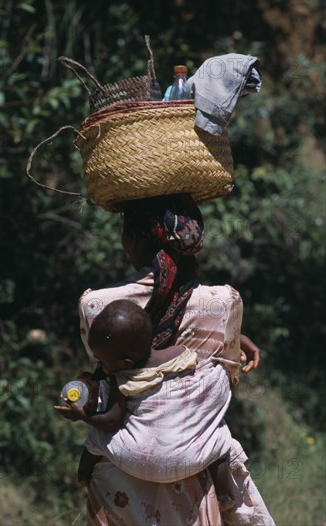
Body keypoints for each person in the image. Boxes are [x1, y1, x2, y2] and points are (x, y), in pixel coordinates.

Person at [56, 193, 274, 526]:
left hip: (119, 483)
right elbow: (225, 373)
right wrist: (232, 336)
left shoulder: (96, 305)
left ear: (131, 238)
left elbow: (107, 372)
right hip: (193, 473)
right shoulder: (225, 303)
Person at [65, 299, 236, 512]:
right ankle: (224, 496)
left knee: (96, 437)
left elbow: (110, 422)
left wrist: (81, 414)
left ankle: (83, 477)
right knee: (217, 435)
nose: (100, 364)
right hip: (191, 459)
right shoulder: (178, 353)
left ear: (126, 363)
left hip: (140, 464)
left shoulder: (121, 379)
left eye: (103, 360)